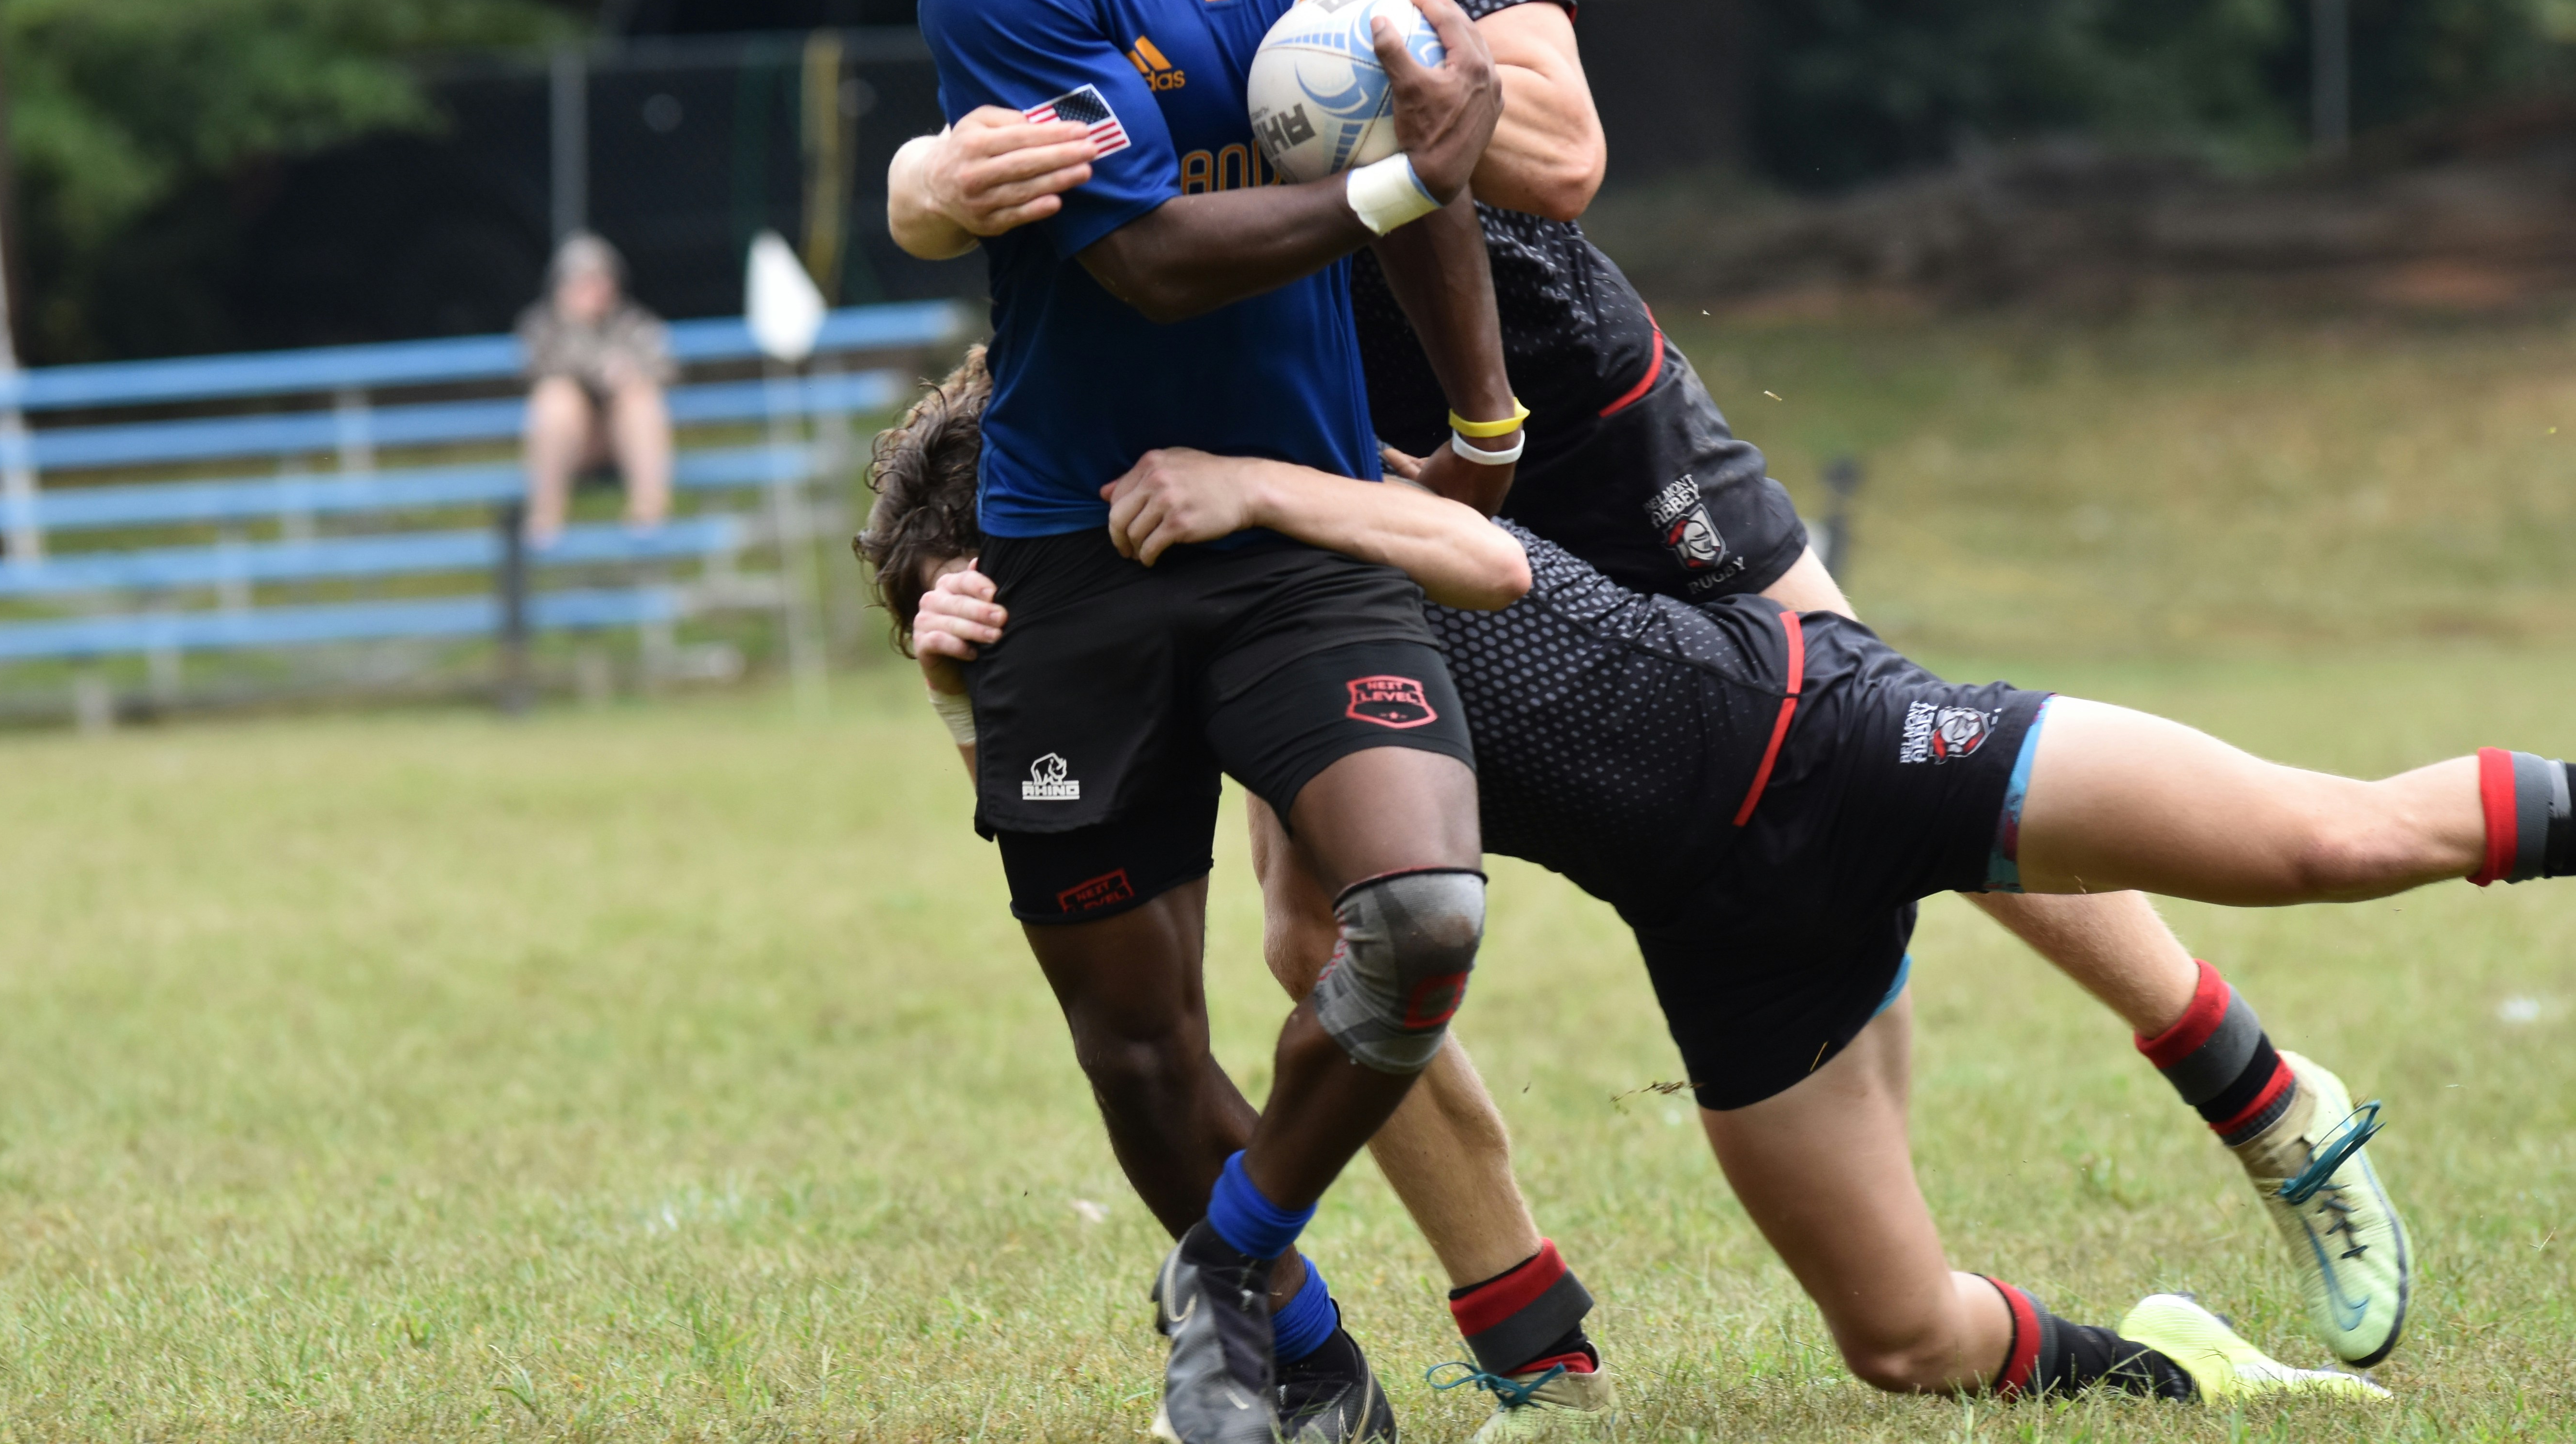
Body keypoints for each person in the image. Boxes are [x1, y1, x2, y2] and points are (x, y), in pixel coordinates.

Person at [881, 0, 2411, 1428]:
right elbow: (1065, 224)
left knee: (1871, 739)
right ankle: (1530, 1335)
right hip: (1311, 452)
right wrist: (929, 185)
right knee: (1319, 931)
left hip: (1567, 404)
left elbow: (1563, 152)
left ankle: (2252, 1087)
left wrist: (1401, 107)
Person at [863, 355, 2508, 1411]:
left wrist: (1262, 482)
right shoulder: (1208, 673)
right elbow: (1102, 858)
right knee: (1902, 1342)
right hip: (1731, 948)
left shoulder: (1273, 492)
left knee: (2335, 842)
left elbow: (1476, 548)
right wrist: (963, 688)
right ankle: (2195, 1379)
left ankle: (2268, 1089)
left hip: (1832, 744)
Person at [904, 0, 1533, 1442]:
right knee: (1138, 1039)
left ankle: (1228, 1271)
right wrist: (1401, 183)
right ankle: (1308, 1355)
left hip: (1293, 525)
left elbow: (1433, 152)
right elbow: (1148, 262)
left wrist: (1481, 416)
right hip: (1075, 548)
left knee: (1421, 918)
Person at [515, 232, 673, 547]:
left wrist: (627, 375)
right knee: (556, 399)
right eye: (583, 280)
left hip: (622, 439)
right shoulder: (543, 325)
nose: (594, 288)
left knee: (639, 398)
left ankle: (649, 514)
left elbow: (665, 367)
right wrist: (601, 367)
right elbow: (538, 369)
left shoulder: (633, 322)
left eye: (601, 278)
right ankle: (546, 518)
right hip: (573, 443)